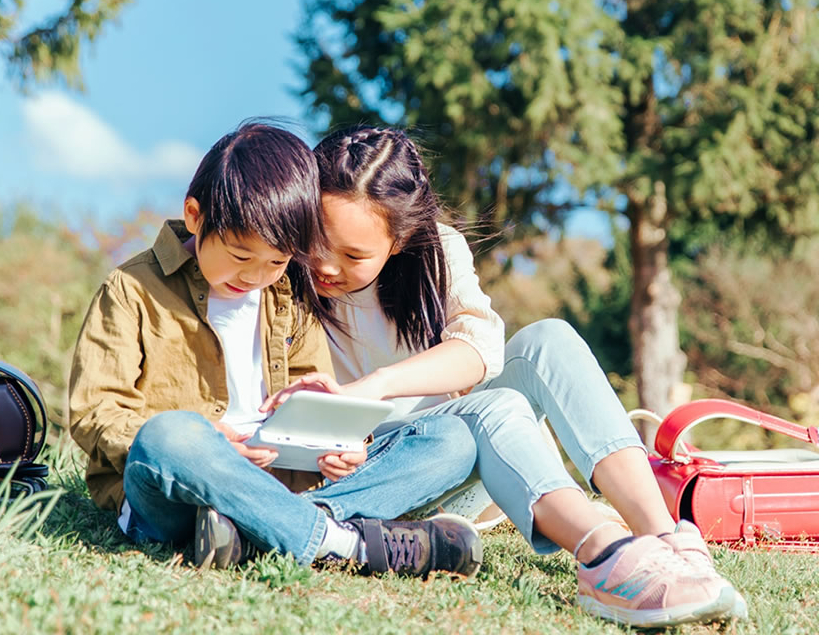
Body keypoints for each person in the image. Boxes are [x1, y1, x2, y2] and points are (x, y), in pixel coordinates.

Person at [268, 125, 748, 627]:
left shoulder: (436, 252)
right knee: (489, 410)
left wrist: (377, 385)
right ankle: (604, 562)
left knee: (549, 339)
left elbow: (478, 351)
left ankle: (664, 541)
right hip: (385, 472)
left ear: (399, 240)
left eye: (353, 255)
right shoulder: (282, 268)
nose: (323, 263)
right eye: (317, 239)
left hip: (463, 465)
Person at [67, 121, 482, 579]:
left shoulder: (289, 296)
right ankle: (342, 542)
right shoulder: (132, 290)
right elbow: (95, 412)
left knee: (452, 441)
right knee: (170, 436)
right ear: (194, 215)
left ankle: (256, 530)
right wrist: (210, 439)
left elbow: (316, 395)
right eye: (241, 256)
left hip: (283, 484)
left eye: (277, 261)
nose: (254, 275)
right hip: (177, 490)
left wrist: (342, 447)